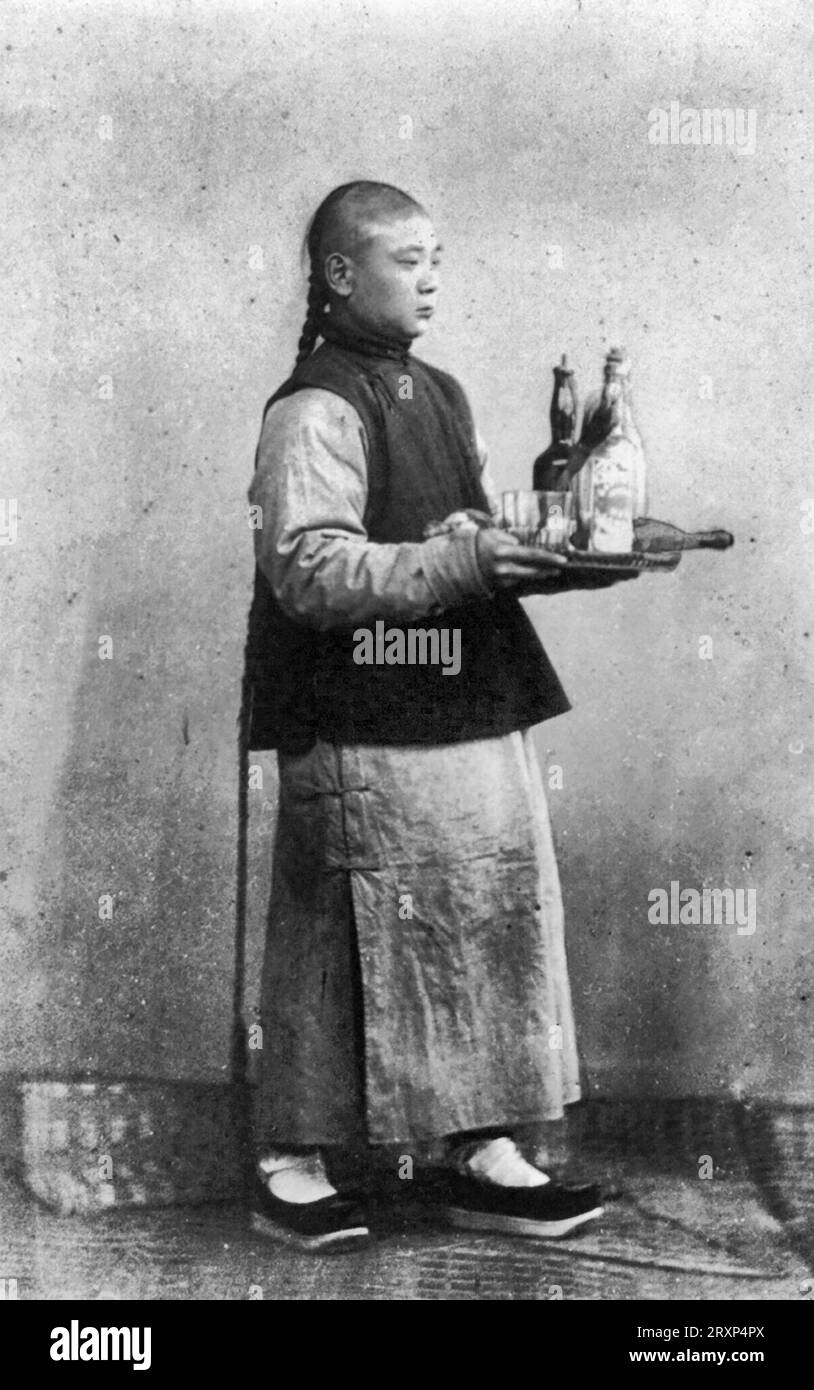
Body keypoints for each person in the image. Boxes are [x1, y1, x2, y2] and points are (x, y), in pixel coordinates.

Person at [244, 180, 633, 1250]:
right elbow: (308, 570)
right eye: (407, 259)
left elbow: (445, 535)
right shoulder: (314, 407)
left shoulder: (440, 392)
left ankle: (477, 1146)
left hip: (466, 700)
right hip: (358, 715)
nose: (430, 279)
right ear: (337, 274)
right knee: (344, 932)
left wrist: (531, 557)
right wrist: (465, 556)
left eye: (437, 259)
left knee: (489, 914)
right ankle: (292, 1156)